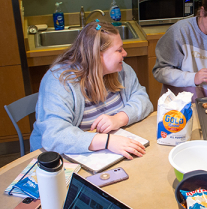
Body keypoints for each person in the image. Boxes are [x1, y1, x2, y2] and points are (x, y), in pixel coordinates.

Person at [30, 21, 153, 159]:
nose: (125, 53)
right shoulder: (59, 81)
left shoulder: (121, 69)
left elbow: (143, 99)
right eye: (119, 50)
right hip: (63, 157)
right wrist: (107, 141)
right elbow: (55, 136)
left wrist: (119, 119)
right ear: (97, 55)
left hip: (109, 152)